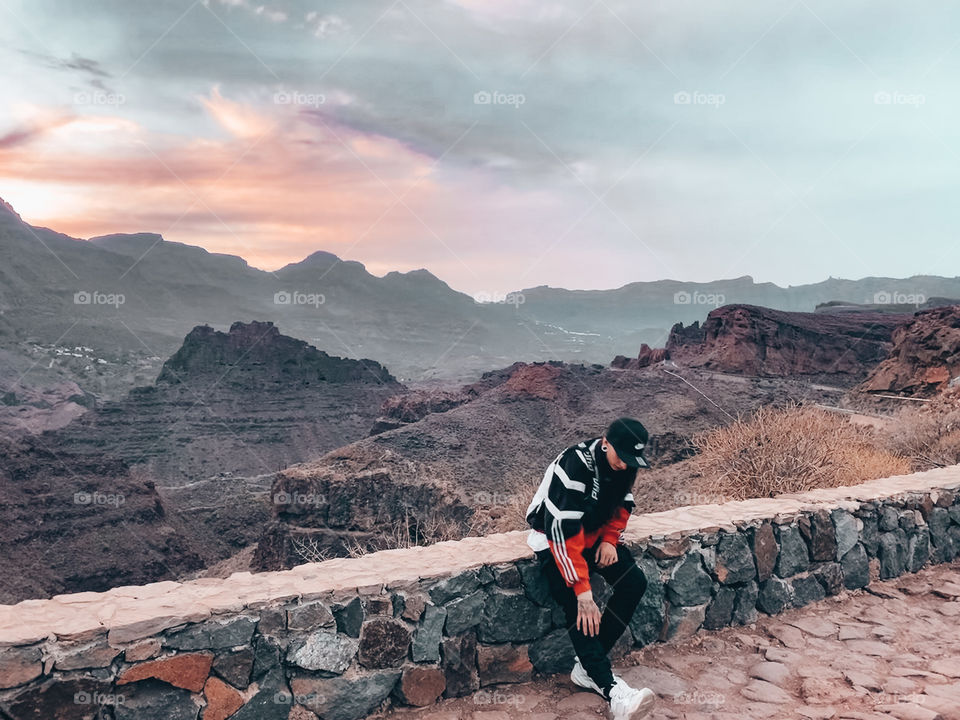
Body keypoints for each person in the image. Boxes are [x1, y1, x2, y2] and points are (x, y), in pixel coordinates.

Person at [525, 417, 656, 720]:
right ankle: (614, 692)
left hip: (593, 537)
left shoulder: (626, 462)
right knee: (576, 604)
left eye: (631, 460)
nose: (625, 466)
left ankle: (587, 668)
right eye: (620, 457)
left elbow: (623, 504)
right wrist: (583, 590)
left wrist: (610, 540)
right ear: (605, 442)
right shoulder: (576, 465)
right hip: (552, 540)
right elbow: (561, 530)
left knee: (633, 582)